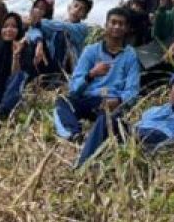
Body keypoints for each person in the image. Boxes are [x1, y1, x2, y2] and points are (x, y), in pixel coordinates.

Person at [76, 71, 174, 168]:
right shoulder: (154, 109)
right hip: (138, 132)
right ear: (170, 91)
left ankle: (94, 160)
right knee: (105, 119)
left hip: (162, 138)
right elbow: (148, 119)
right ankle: (83, 165)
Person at [54, 8, 141, 143]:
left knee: (109, 119)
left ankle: (97, 136)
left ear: (127, 29)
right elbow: (74, 87)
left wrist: (118, 100)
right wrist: (91, 74)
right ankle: (73, 134)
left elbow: (133, 90)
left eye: (121, 24)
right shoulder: (91, 51)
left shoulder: (130, 55)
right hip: (89, 99)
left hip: (113, 103)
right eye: (113, 22)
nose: (116, 27)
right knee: (63, 102)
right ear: (106, 25)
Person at [28, 0, 94, 80]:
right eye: (76, 6)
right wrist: (39, 41)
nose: (77, 10)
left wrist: (38, 22)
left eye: (82, 9)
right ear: (69, 7)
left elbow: (65, 27)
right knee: (33, 40)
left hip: (67, 69)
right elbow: (34, 29)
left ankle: (59, 75)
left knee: (61, 34)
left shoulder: (82, 28)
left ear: (85, 16)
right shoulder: (54, 24)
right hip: (51, 64)